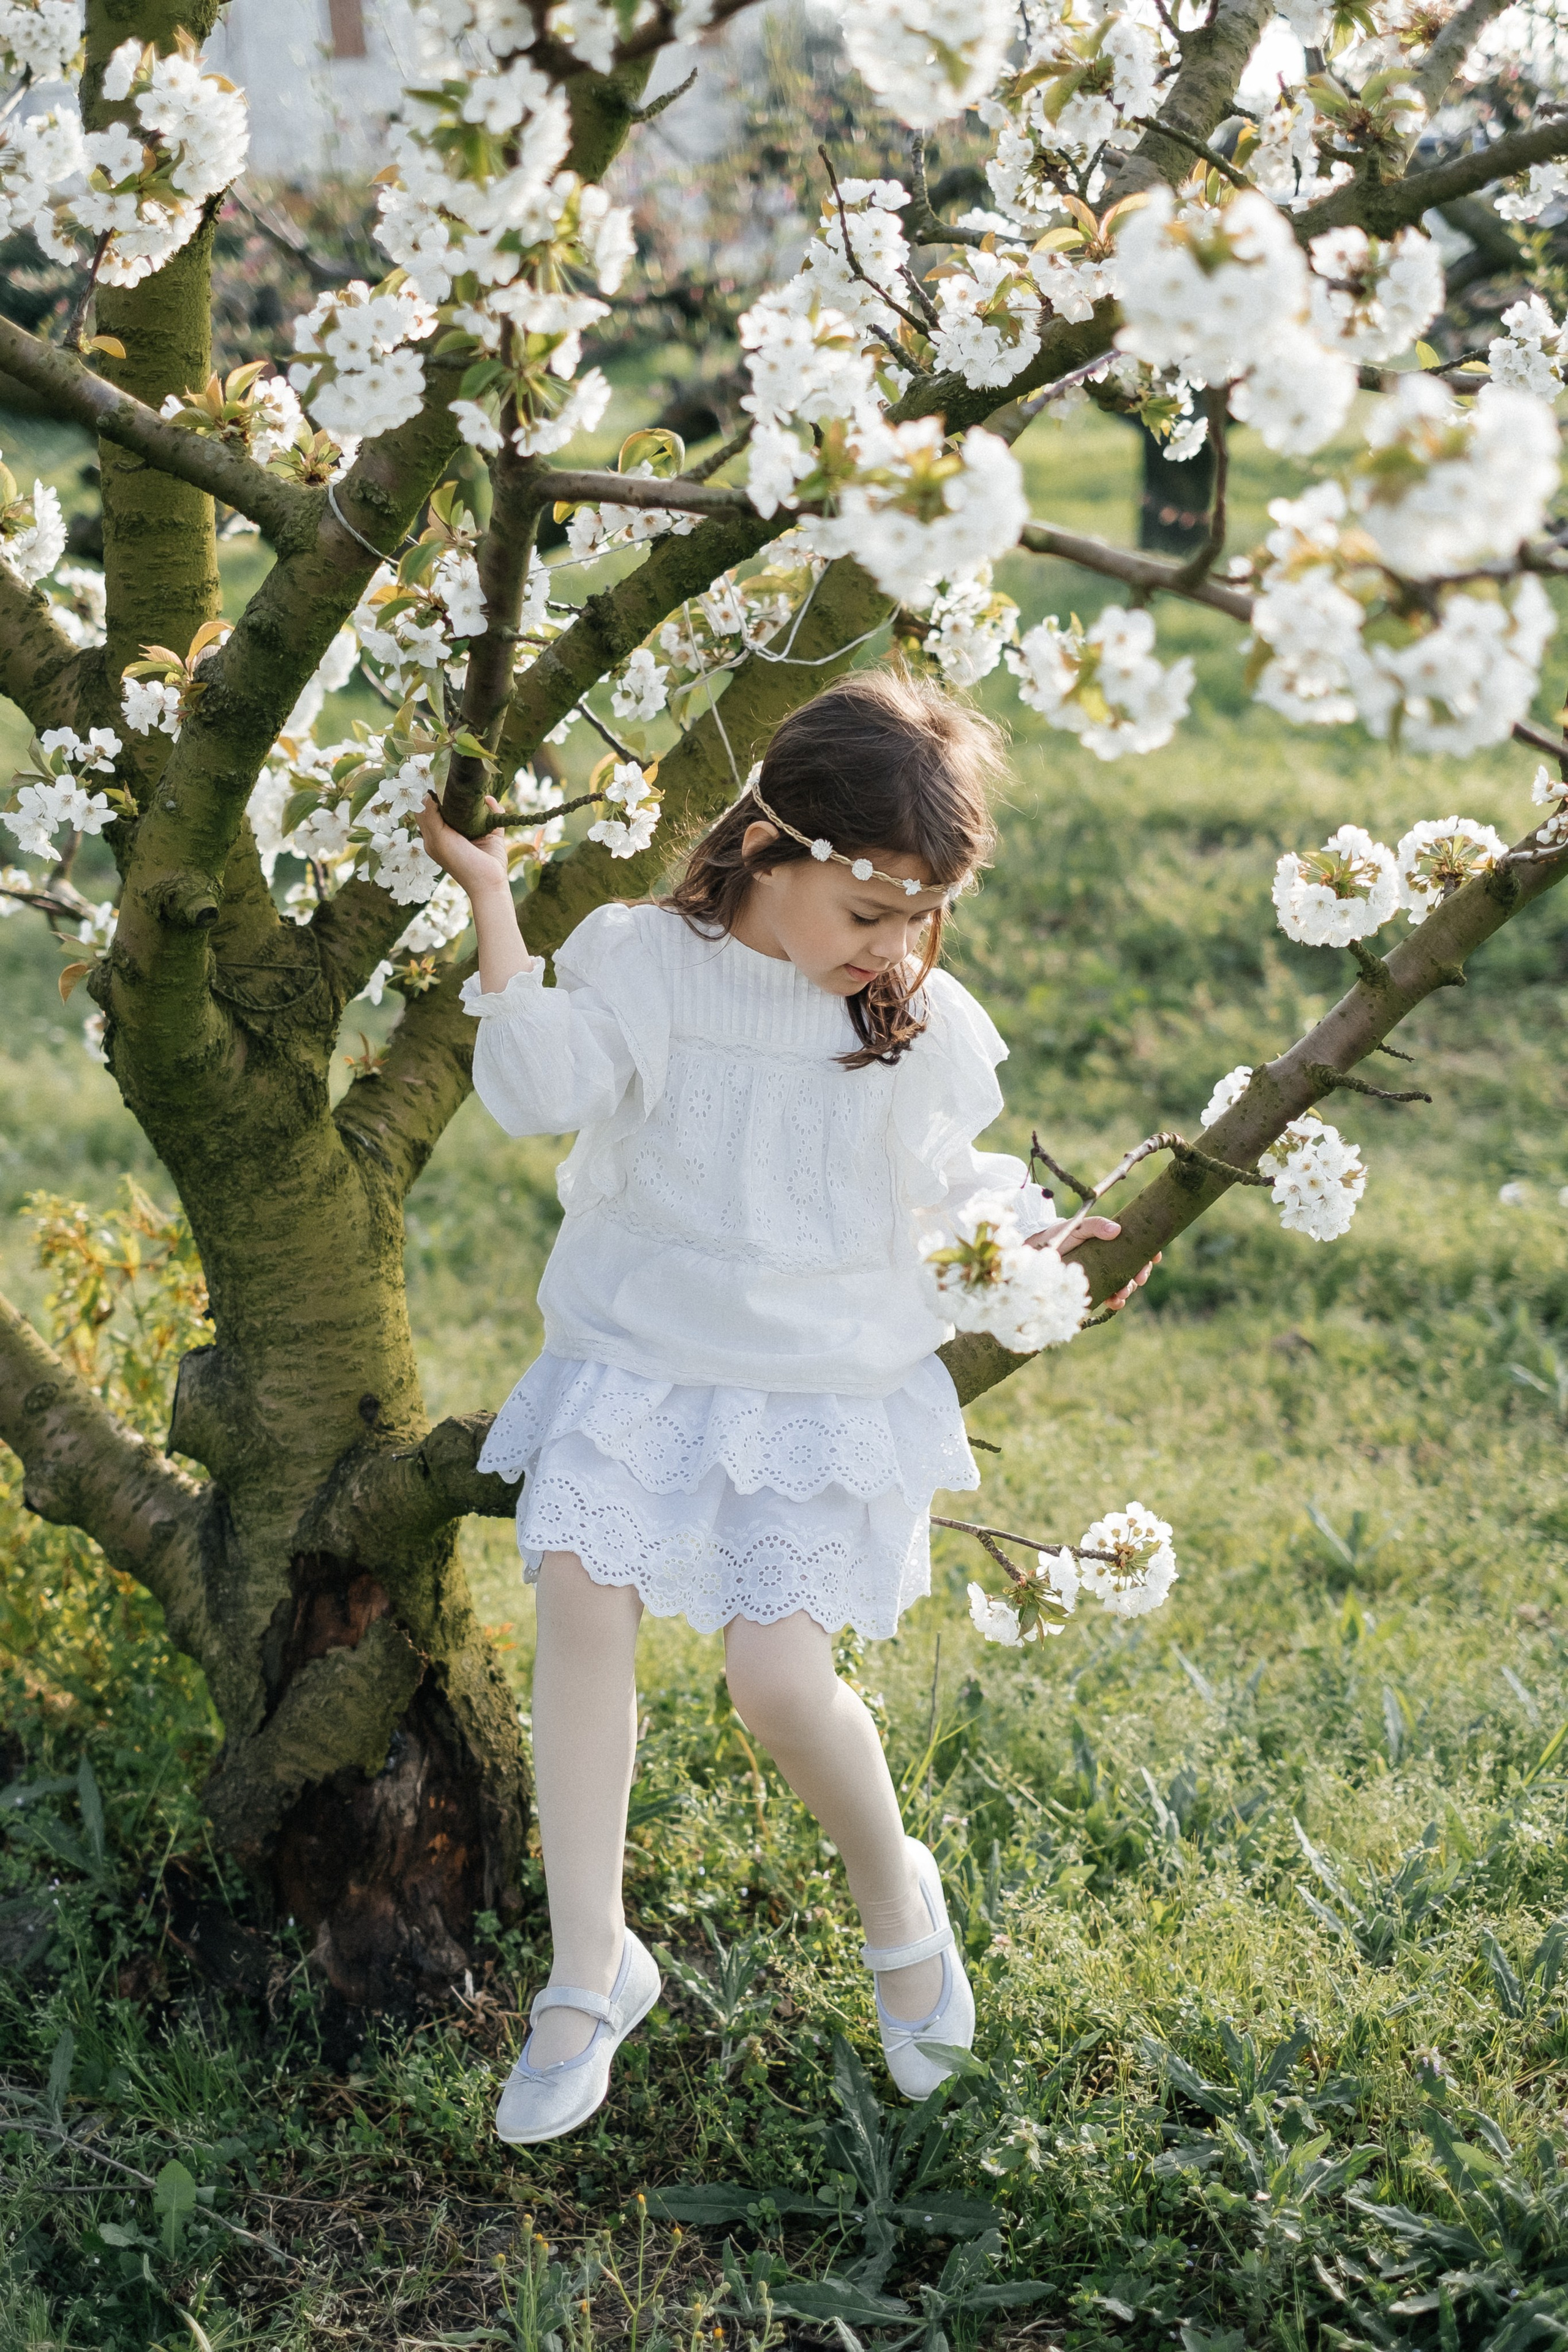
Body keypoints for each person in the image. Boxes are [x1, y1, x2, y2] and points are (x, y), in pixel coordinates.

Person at [417, 667, 1151, 2147]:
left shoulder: (910, 1019)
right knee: (579, 1600)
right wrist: (493, 900)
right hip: (639, 1355)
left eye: (921, 919)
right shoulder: (642, 958)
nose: (898, 948)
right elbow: (542, 1087)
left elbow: (945, 1193)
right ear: (770, 846)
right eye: (872, 914)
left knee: (776, 1685)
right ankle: (587, 1968)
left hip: (815, 1376)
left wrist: (1024, 1255)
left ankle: (901, 1911)